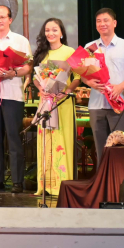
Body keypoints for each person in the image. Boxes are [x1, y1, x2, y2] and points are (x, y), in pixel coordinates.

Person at [0, 5, 34, 193]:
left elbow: (28, 68)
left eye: (3, 17)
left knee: (13, 138)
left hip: (13, 96)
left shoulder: (20, 41)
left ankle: (17, 181)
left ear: (10, 19)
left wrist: (13, 72)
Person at [82, 7, 124, 167]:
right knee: (100, 149)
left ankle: (121, 185)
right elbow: (83, 74)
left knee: (121, 148)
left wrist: (121, 86)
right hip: (96, 105)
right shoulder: (90, 47)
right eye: (98, 21)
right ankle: (103, 185)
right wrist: (89, 83)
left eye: (106, 20)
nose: (102, 24)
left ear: (114, 23)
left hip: (119, 104)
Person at [32, 17, 79, 196]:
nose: (50, 33)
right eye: (47, 30)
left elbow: (77, 77)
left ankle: (62, 185)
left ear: (61, 32)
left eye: (54, 30)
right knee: (46, 141)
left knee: (62, 140)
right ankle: (45, 184)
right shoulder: (42, 53)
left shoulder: (69, 52)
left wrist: (66, 91)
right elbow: (36, 78)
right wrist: (41, 89)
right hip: (46, 102)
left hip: (63, 103)